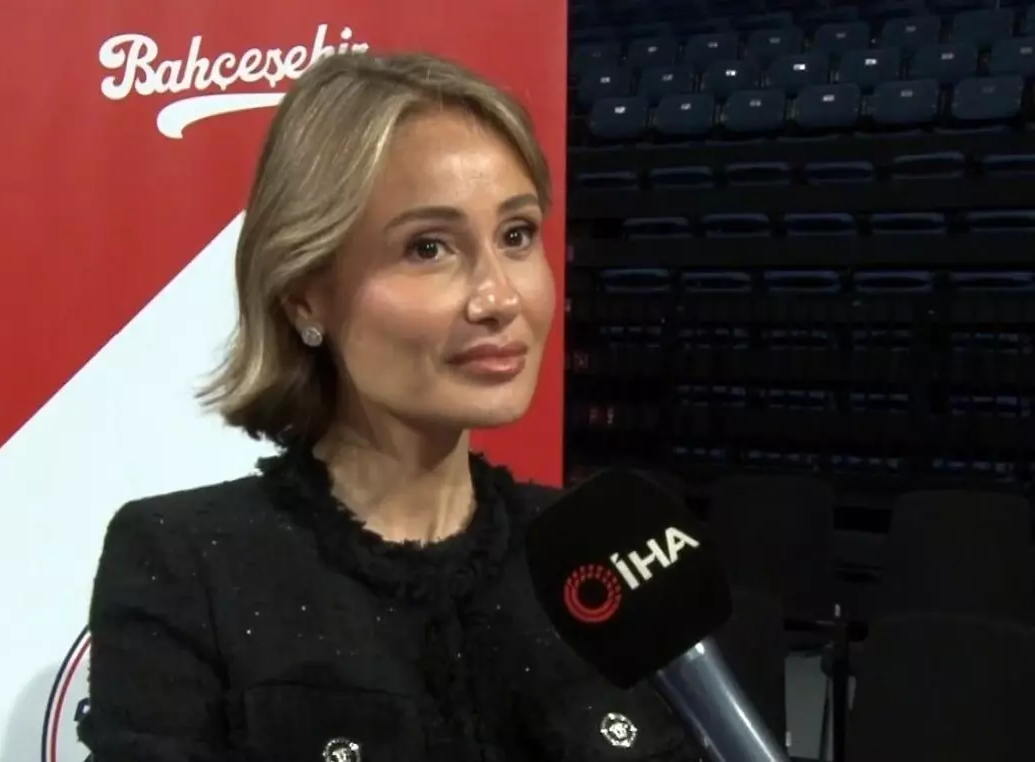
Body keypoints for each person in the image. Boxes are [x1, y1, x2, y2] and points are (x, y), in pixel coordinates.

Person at [79, 51, 702, 762]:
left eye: (517, 235)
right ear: (304, 296)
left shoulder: (604, 562)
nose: (500, 297)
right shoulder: (187, 565)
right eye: (428, 247)